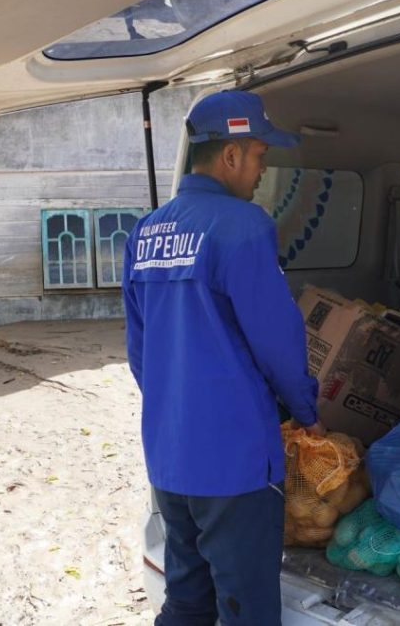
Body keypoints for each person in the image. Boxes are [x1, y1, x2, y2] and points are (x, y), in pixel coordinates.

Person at [122, 90, 326, 626]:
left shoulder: (146, 232)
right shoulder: (242, 225)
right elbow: (277, 340)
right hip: (235, 463)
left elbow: (140, 352)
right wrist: (306, 412)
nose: (262, 169)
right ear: (231, 154)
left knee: (187, 600)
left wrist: (177, 410)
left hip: (169, 456)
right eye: (260, 154)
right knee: (246, 610)